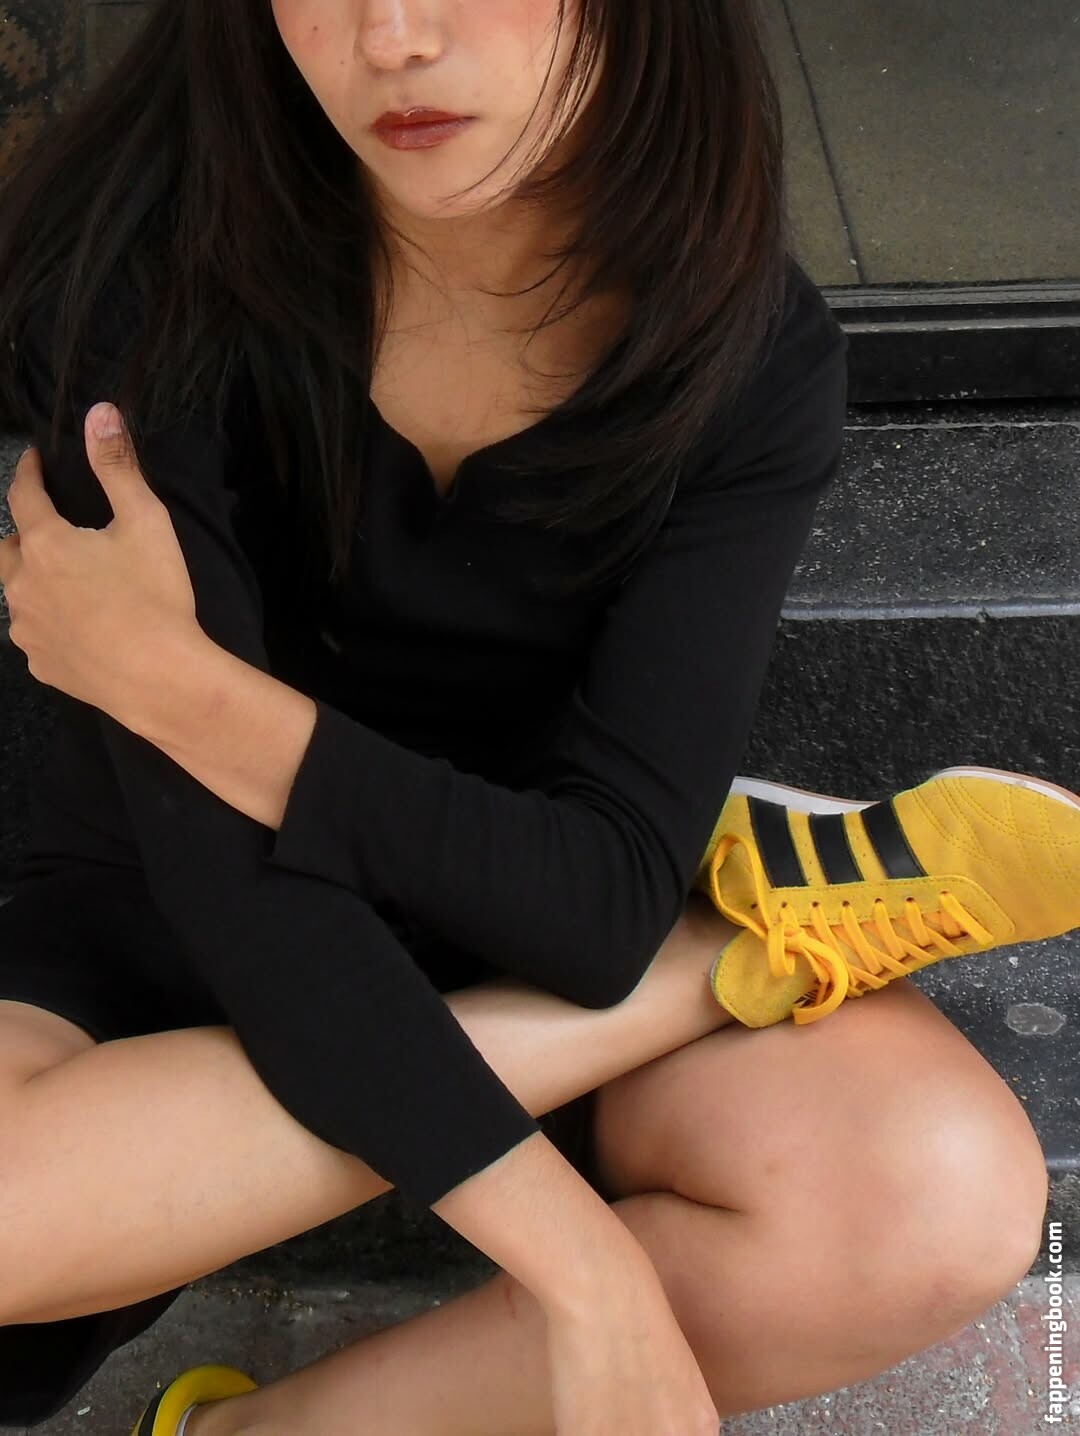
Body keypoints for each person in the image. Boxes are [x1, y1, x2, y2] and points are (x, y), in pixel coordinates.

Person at [0, 2, 1075, 1433]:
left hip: (507, 896)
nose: (394, 36)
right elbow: (235, 881)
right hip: (166, 903)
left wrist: (181, 688)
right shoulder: (138, 259)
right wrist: (587, 1272)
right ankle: (735, 947)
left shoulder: (740, 350)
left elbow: (591, 907)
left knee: (931, 1196)